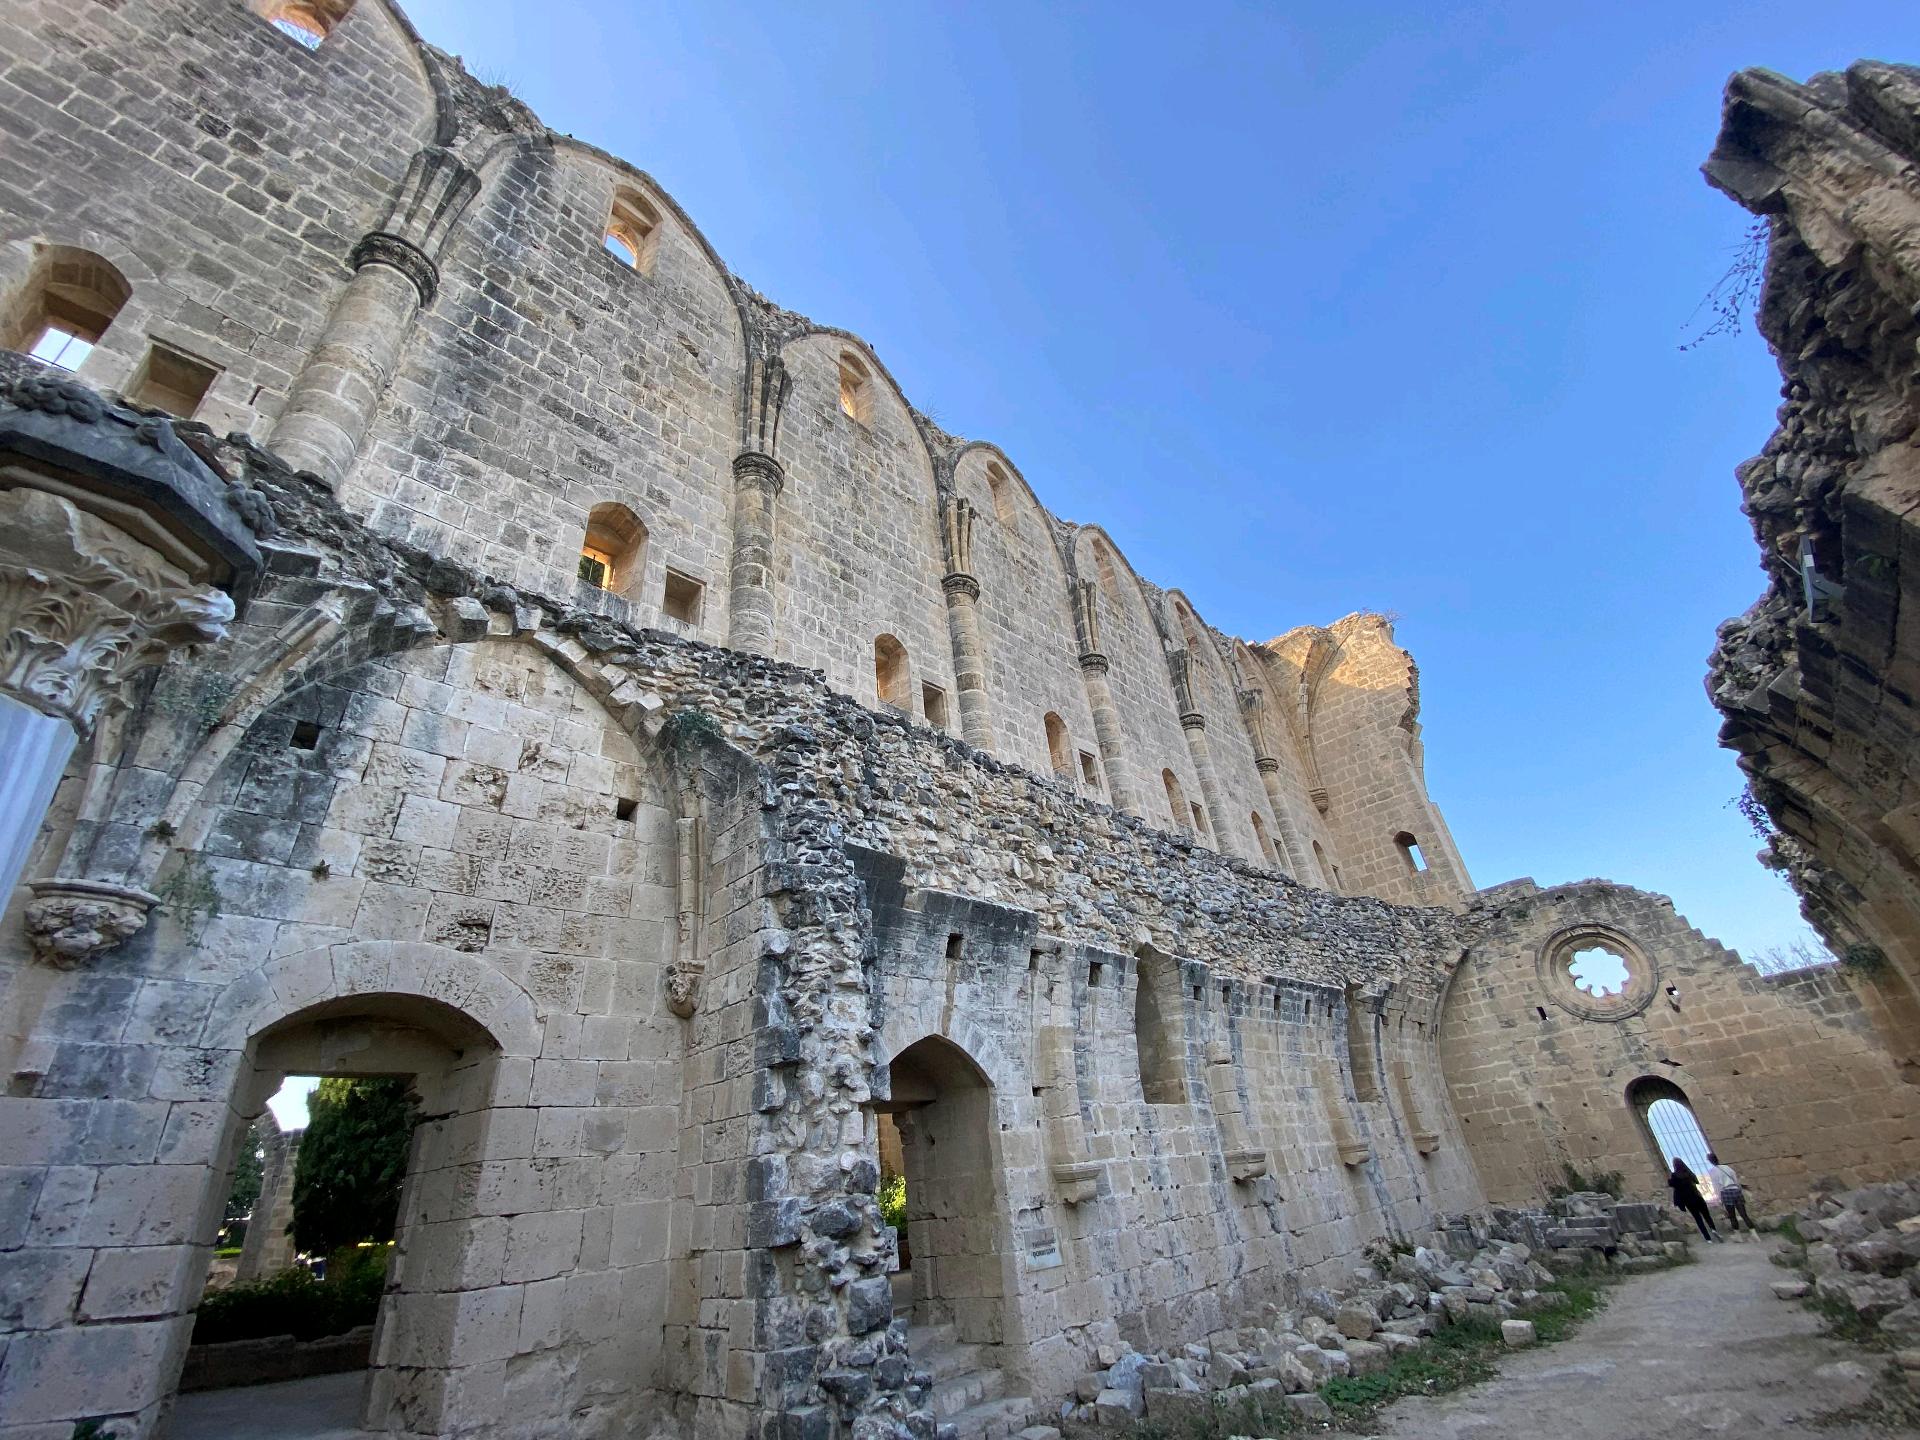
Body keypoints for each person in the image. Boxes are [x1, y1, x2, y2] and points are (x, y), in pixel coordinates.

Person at [1668, 1156, 1721, 1243]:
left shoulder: (1674, 1176)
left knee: (1698, 1219)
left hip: (1688, 1201)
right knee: (1707, 1215)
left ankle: (1708, 1239)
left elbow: (1673, 1186)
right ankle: (1713, 1230)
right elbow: (1697, 1181)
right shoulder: (1688, 1172)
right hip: (1697, 1197)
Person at [1706, 1152, 1755, 1235]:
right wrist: (1739, 1189)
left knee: (1732, 1216)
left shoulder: (1712, 1171)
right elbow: (1735, 1180)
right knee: (1744, 1214)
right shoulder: (1727, 1168)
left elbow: (1716, 1186)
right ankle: (1754, 1234)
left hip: (1725, 1192)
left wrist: (1720, 1198)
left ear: (1710, 1161)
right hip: (1735, 1190)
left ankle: (1738, 1236)